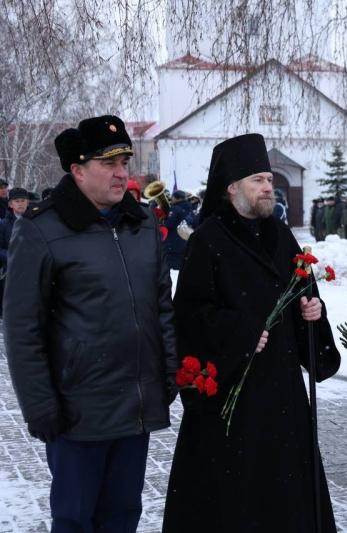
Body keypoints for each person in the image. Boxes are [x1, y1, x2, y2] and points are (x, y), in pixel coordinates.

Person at [3, 115, 177, 532]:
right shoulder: (42, 230)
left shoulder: (143, 225)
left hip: (135, 405)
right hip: (77, 410)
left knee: (122, 516)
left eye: (124, 163)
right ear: (77, 171)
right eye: (108, 164)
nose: (121, 174)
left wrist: (167, 373)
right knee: (76, 519)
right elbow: (22, 327)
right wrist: (39, 405)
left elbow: (161, 307)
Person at [162, 133, 341, 533]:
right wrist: (240, 333)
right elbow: (189, 316)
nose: (268, 186)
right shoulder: (209, 240)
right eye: (258, 179)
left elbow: (302, 293)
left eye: (269, 179)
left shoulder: (280, 235)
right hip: (230, 401)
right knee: (233, 503)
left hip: (282, 397)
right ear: (231, 188)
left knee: (286, 501)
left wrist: (311, 312)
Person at [0, 187, 30, 315]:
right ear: (10, 204)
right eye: (17, 201)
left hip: (32, 270)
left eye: (23, 200)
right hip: (10, 272)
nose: (20, 203)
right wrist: (12, 256)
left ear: (28, 202)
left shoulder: (36, 222)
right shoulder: (3, 225)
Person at [162, 189, 197, 269]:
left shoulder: (175, 209)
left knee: (169, 264)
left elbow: (168, 224)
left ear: (177, 198)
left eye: (173, 197)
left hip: (172, 241)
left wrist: (163, 220)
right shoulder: (190, 208)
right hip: (184, 240)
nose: (171, 199)